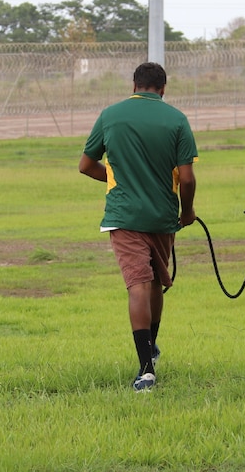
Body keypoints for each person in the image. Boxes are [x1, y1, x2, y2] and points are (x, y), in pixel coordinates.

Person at [79, 62, 198, 392]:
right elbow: (187, 178)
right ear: (163, 89)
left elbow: (86, 165)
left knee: (138, 286)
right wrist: (186, 213)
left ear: (134, 85)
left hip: (124, 216)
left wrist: (116, 178)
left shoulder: (110, 115)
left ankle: (145, 370)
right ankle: (151, 353)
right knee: (156, 284)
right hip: (163, 217)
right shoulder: (177, 119)